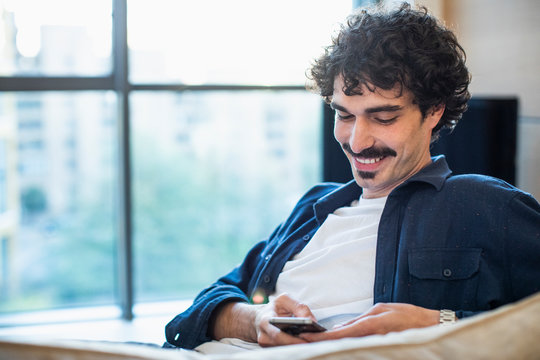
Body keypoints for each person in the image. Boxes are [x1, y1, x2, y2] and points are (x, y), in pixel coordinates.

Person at [164, 3, 540, 351]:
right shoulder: (314, 206)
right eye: (344, 115)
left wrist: (438, 324)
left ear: (434, 112)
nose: (357, 141)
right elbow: (193, 315)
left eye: (383, 118)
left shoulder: (487, 207)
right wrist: (256, 319)